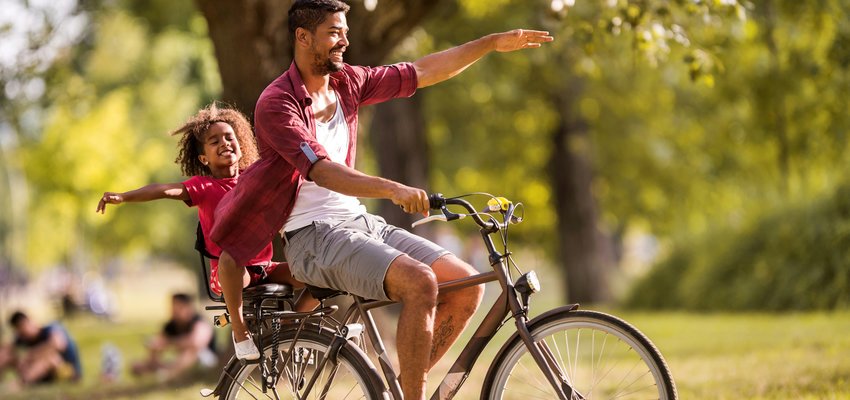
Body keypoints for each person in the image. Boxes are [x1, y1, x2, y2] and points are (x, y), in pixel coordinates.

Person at [210, 1, 553, 398]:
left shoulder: (347, 83)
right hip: (311, 237)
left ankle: (402, 387)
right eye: (335, 33)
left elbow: (422, 71)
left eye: (345, 31)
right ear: (303, 38)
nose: (346, 40)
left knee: (464, 284)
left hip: (358, 223)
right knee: (420, 283)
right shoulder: (277, 103)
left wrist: (490, 43)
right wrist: (392, 188)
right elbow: (322, 170)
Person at [96, 103, 318, 357]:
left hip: (263, 268)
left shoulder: (254, 178)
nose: (224, 143)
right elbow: (163, 189)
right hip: (229, 272)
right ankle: (239, 331)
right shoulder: (203, 186)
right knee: (231, 258)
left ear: (240, 144)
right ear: (204, 158)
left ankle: (293, 326)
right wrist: (124, 197)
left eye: (229, 137)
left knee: (322, 272)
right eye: (214, 141)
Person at [130, 293, 216, 380]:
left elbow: (196, 343)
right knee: (139, 365)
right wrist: (154, 347)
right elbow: (159, 342)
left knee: (191, 352)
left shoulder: (199, 322)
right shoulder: (171, 325)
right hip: (181, 361)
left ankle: (170, 374)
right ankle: (163, 372)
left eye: (178, 307)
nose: (174, 310)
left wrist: (169, 342)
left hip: (207, 360)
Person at [0, 311, 82, 385]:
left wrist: (32, 355)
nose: (24, 332)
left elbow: (59, 344)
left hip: (65, 370)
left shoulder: (51, 328)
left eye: (24, 326)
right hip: (37, 372)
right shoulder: (22, 338)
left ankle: (22, 383)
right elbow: (7, 349)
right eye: (19, 330)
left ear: (30, 321)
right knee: (6, 355)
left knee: (50, 358)